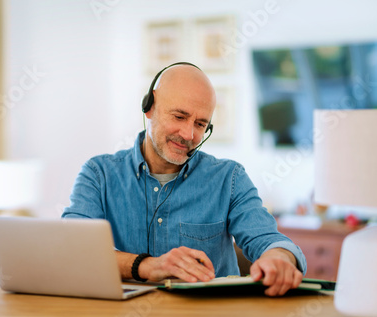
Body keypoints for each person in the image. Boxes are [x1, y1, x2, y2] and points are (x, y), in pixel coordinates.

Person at [62, 62, 306, 297]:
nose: (188, 134)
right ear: (149, 107)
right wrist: (148, 266)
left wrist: (279, 258)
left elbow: (268, 239)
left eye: (200, 124)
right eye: (179, 117)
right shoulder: (98, 174)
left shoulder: (229, 178)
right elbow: (72, 249)